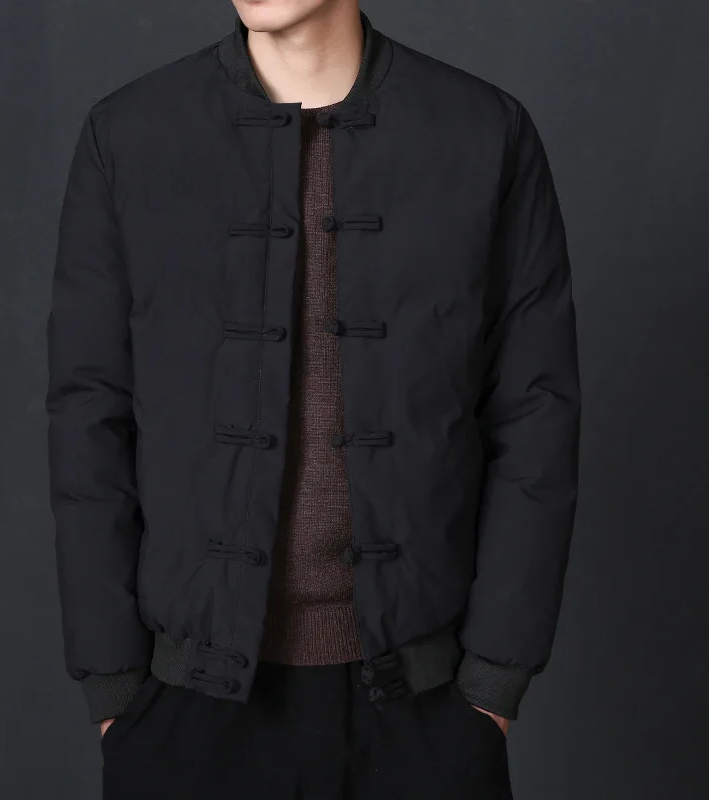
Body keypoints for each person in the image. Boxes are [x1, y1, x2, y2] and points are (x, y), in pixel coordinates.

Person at [44, 0, 581, 797]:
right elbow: (88, 413)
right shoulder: (129, 135)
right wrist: (114, 685)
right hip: (186, 716)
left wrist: (494, 684)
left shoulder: (483, 133)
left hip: (424, 713)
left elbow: (535, 413)